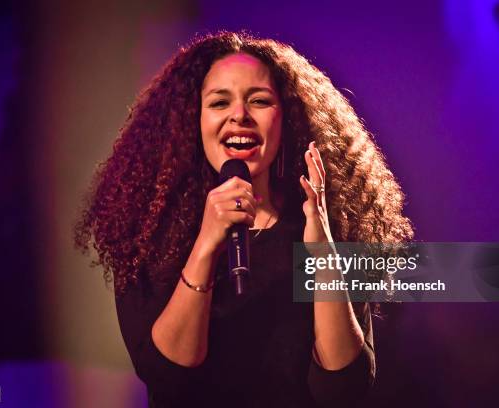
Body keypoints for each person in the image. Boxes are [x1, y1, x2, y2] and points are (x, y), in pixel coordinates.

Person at [75, 31, 413, 407]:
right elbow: (167, 379)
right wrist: (206, 242)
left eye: (259, 101)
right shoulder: (150, 236)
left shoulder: (330, 229)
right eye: (220, 102)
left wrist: (322, 251)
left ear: (285, 121)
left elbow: (344, 389)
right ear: (193, 121)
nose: (240, 115)